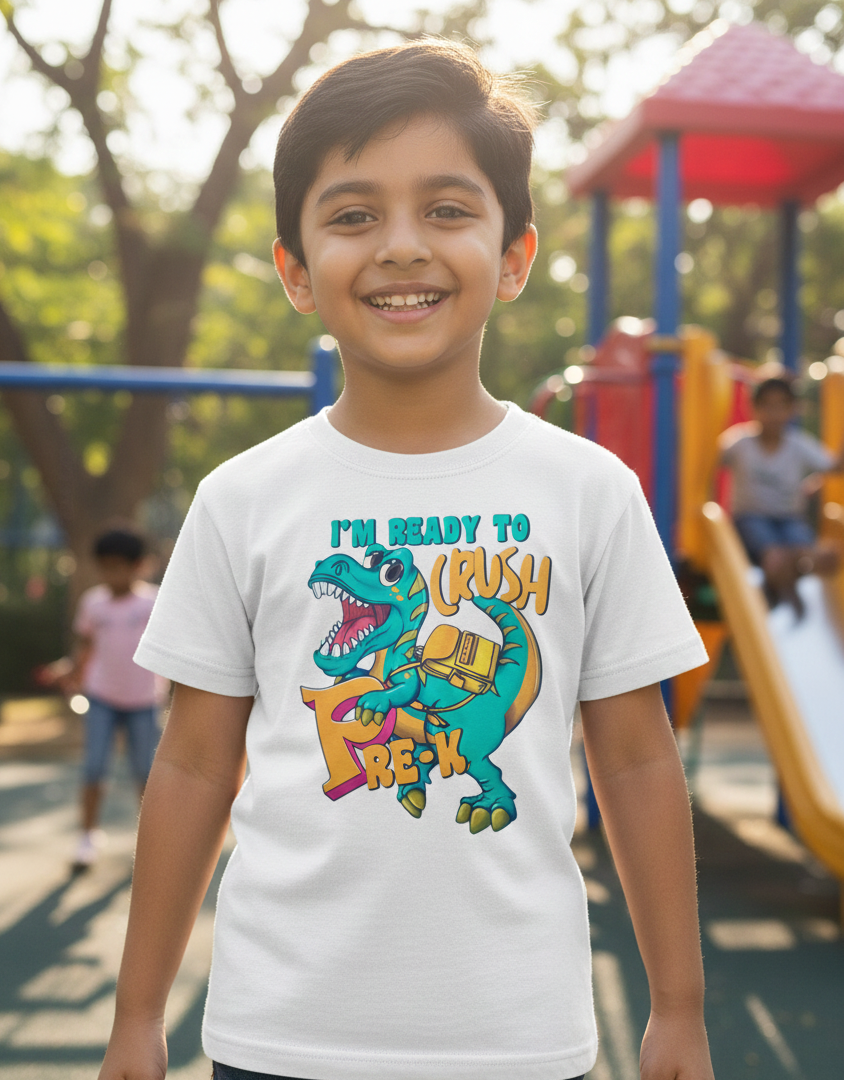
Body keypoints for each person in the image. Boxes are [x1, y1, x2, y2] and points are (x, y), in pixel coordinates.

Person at [100, 41, 714, 1080]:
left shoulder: (590, 490)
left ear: (514, 255)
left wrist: (681, 1009)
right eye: (351, 216)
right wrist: (135, 1016)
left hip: (517, 1036)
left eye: (445, 209)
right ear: (295, 271)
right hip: (278, 1030)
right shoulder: (243, 499)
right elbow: (197, 762)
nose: (398, 247)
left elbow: (640, 757)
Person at [43, 527, 162, 870]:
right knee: (94, 768)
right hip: (101, 700)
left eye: (118, 566)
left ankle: (151, 845)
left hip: (143, 702)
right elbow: (85, 647)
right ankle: (86, 839)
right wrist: (70, 673)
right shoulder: (93, 603)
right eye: (104, 566)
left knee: (146, 773)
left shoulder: (154, 602)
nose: (110, 574)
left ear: (138, 565)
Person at [719, 376, 844, 610]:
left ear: (792, 410)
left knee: (818, 554)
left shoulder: (798, 444)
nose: (774, 414)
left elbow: (835, 467)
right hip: (750, 518)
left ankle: (787, 579)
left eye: (781, 407)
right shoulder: (739, 443)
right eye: (767, 406)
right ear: (753, 408)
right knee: (775, 556)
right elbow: (706, 460)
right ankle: (790, 599)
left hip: (789, 519)